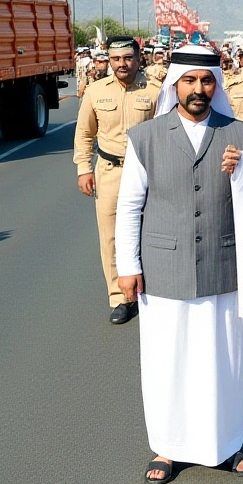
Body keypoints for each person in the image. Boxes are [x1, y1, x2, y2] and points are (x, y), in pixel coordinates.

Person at [114, 45, 243, 484]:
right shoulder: (145, 137)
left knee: (224, 360)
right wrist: (127, 265)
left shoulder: (242, 135)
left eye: (207, 81)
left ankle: (225, 444)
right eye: (190, 81)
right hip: (164, 267)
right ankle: (167, 447)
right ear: (175, 84)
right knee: (168, 360)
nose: (199, 89)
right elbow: (129, 205)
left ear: (217, 85)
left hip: (224, 264)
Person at [74, 37, 160, 325]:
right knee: (110, 236)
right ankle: (121, 298)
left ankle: (151, 289)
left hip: (148, 172)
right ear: (109, 61)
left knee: (151, 232)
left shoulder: (155, 91)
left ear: (138, 58)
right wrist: (83, 168)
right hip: (110, 170)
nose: (122, 64)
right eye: (115, 59)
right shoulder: (96, 92)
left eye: (127, 58)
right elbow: (85, 133)